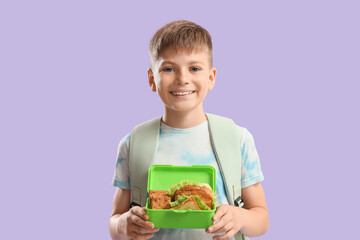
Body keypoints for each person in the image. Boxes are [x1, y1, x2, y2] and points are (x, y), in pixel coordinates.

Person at [109, 20, 269, 240]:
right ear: (151, 79)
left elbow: (261, 218)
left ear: (211, 77)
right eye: (168, 69)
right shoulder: (133, 144)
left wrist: (240, 218)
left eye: (194, 68)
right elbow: (115, 220)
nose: (182, 79)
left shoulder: (237, 139)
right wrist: (122, 226)